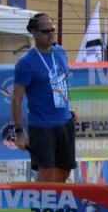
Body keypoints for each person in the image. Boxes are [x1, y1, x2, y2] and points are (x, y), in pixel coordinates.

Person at [11, 13, 77, 183]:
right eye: (46, 31)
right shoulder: (26, 63)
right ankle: (40, 206)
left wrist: (68, 110)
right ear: (33, 32)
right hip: (41, 125)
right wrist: (19, 132)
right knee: (46, 173)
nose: (51, 35)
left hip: (64, 122)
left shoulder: (60, 52)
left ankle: (52, 205)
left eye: (52, 30)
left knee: (64, 172)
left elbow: (60, 83)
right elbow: (16, 100)